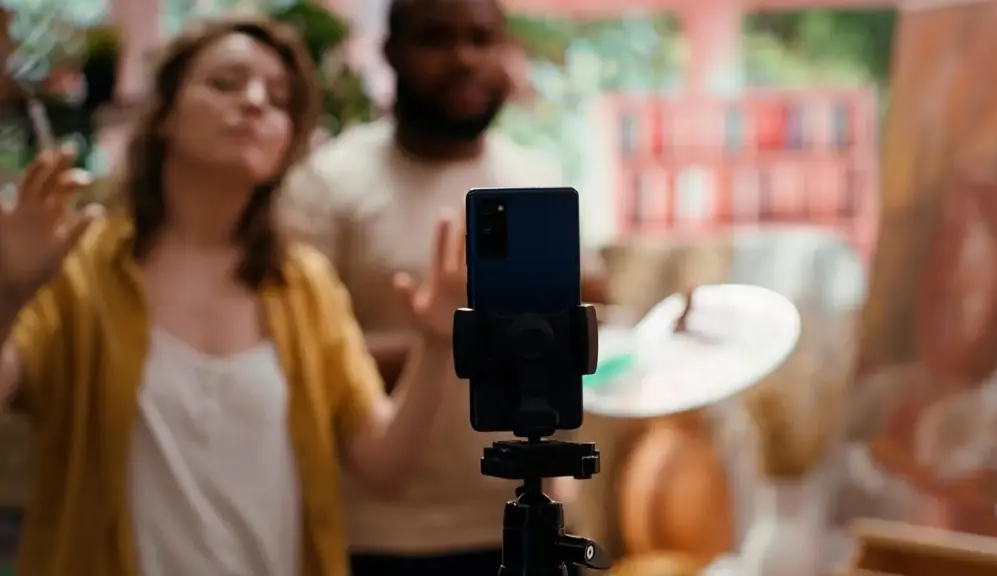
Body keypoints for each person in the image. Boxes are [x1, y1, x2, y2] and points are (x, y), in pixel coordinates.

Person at [0, 17, 460, 576]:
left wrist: (437, 345)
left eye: (279, 99)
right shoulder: (82, 268)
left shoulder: (304, 286)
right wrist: (11, 293)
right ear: (165, 114)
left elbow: (385, 467)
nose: (255, 102)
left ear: (288, 142)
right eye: (225, 83)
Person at [282, 0, 606, 573]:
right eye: (436, 38)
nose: (464, 58)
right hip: (385, 537)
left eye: (482, 39)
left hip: (535, 524)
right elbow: (299, 360)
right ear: (391, 51)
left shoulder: (538, 180)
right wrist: (455, 341)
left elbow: (590, 318)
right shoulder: (327, 184)